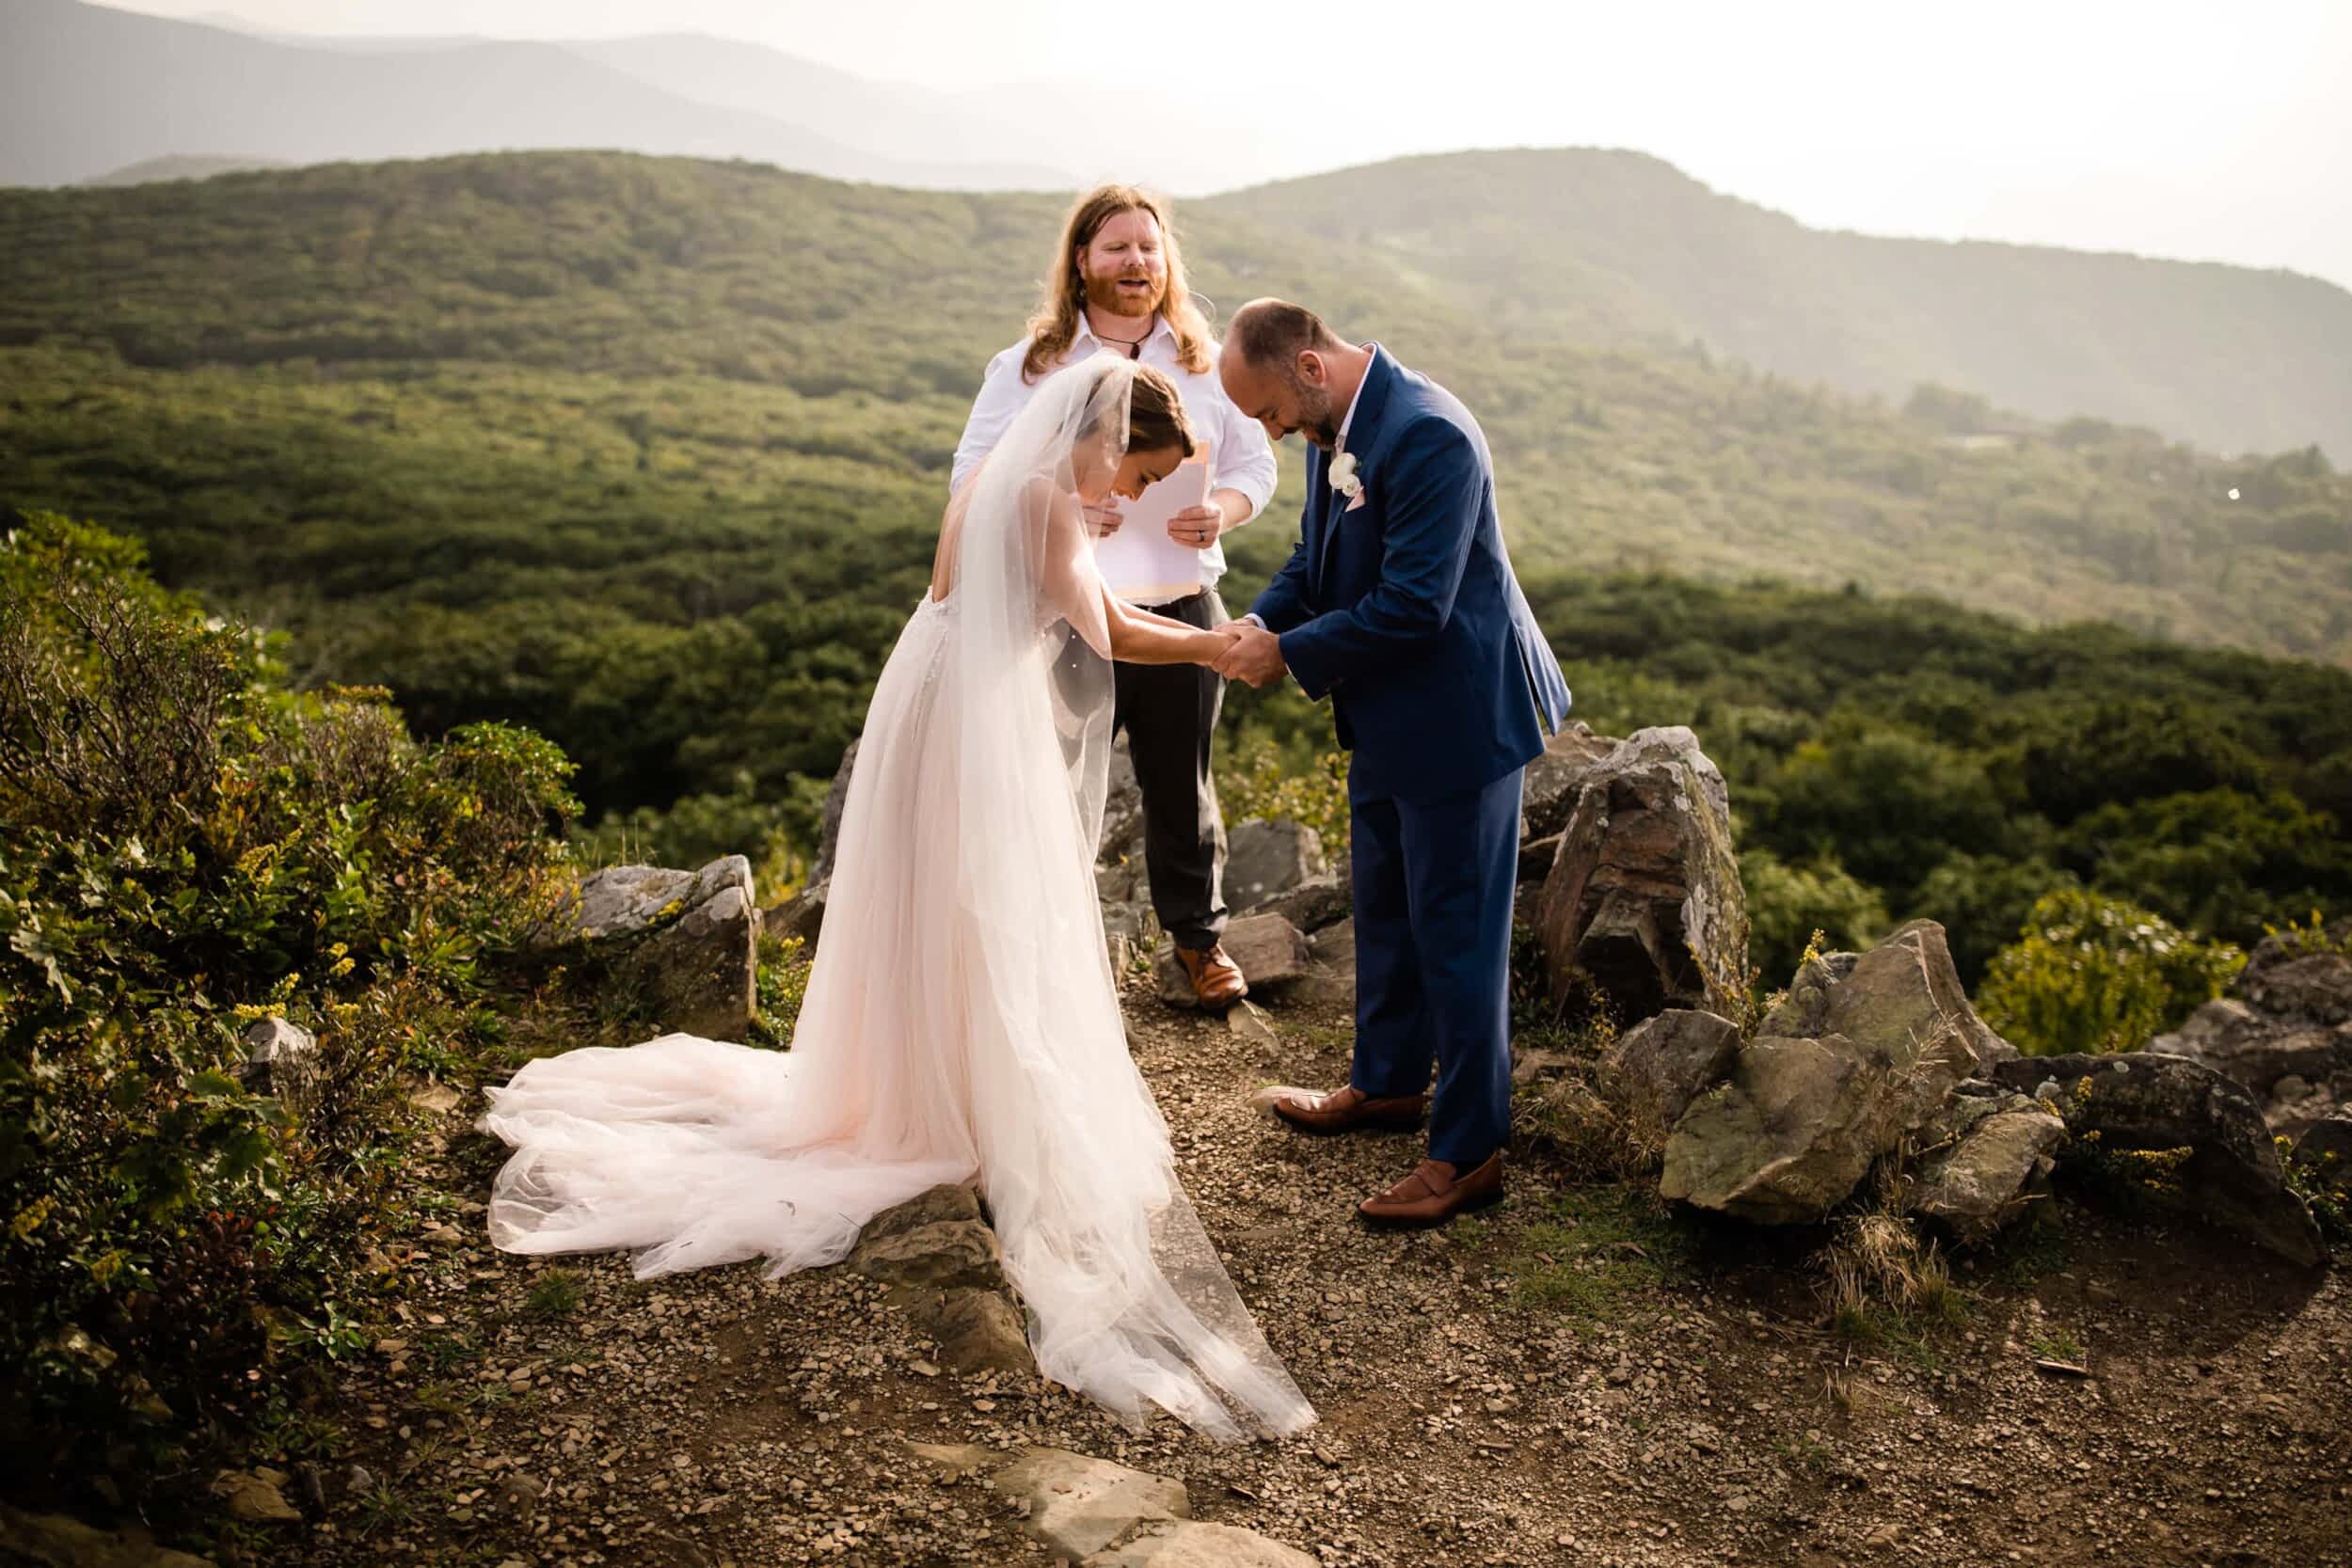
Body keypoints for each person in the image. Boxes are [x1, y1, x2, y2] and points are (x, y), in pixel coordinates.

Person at [481, 358, 1314, 1442]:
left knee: (950, 908)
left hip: (940, 691)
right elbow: (1105, 627)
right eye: (1134, 466)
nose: (1126, 487)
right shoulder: (1037, 495)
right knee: (976, 910)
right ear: (1105, 432)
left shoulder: (1010, 480)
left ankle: (940, 1088)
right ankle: (954, 1108)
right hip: (967, 713)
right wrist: (1217, 643)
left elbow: (1064, 596)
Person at [1214, 299, 1574, 1228]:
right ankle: (1384, 1086)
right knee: (1385, 911)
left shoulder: (1430, 436)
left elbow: (1416, 606)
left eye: (1268, 413)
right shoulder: (1327, 418)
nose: (1271, 430)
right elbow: (1317, 555)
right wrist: (1261, 619)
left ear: (1307, 365)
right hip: (1381, 715)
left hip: (1457, 720)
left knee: (1457, 941)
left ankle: (1468, 1149)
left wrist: (1287, 656)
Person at [953, 184, 1278, 1008]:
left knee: (1182, 781)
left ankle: (1197, 944)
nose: (1137, 261)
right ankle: (1050, 953)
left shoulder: (1202, 363)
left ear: (1168, 261)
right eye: (1118, 247)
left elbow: (1257, 465)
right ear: (1081, 262)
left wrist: (1223, 511)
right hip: (1062, 614)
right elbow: (973, 478)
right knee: (1049, 782)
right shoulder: (1031, 368)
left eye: (1150, 247)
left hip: (1177, 596)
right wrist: (1064, 504)